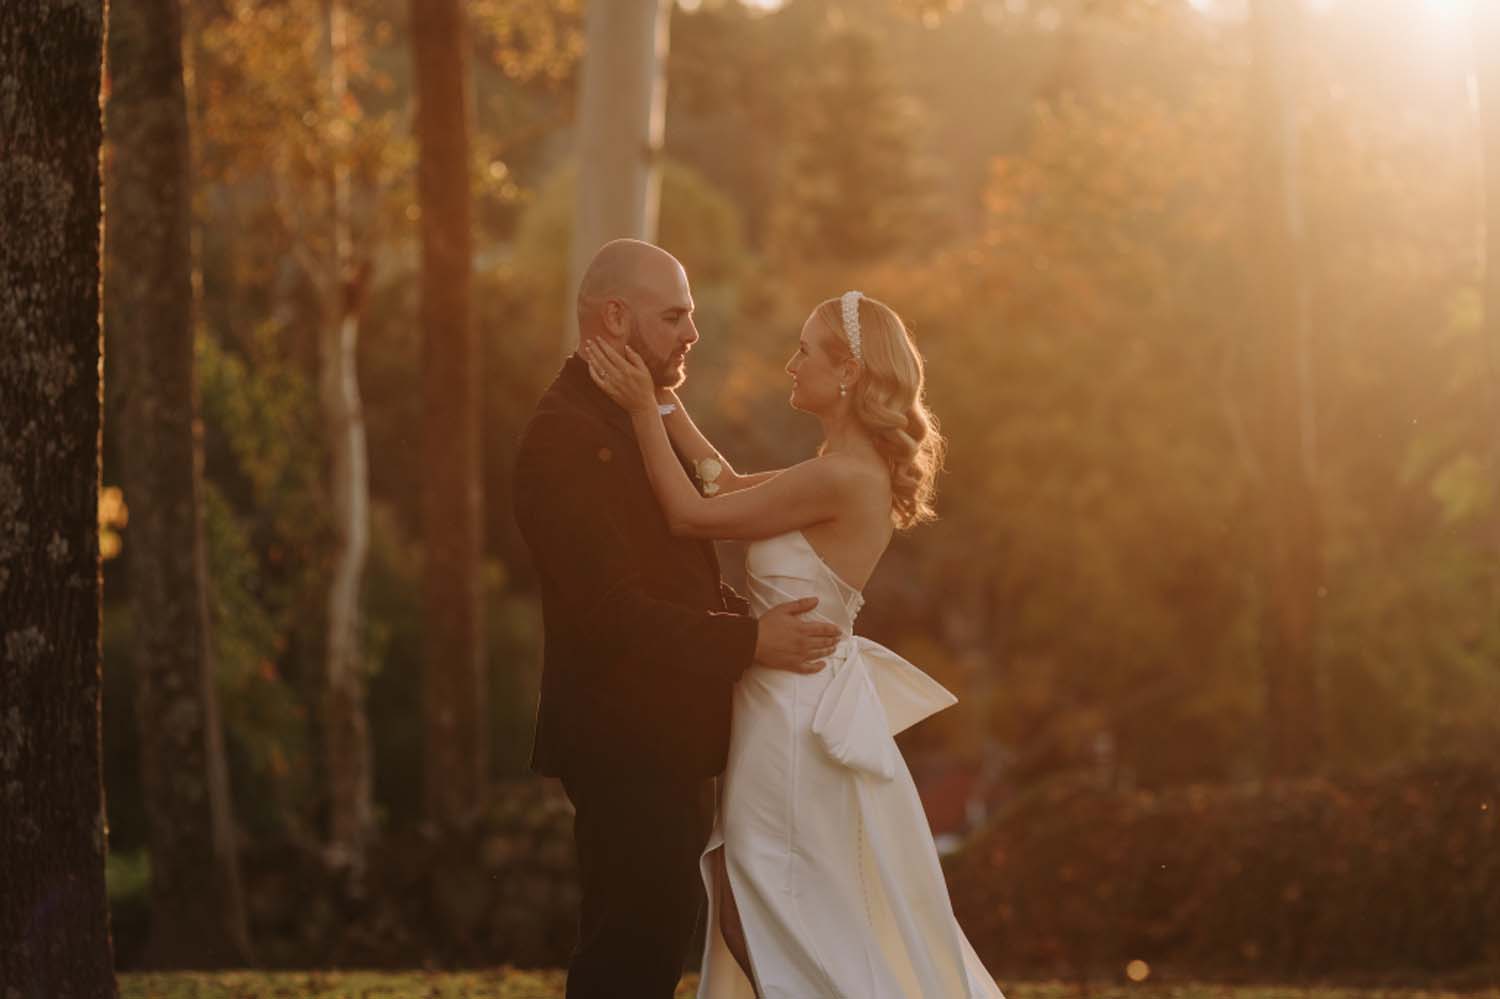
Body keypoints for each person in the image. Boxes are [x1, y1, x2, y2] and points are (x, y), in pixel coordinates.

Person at [582, 287, 1006, 998]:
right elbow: (729, 487)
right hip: (784, 697)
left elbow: (691, 515)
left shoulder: (843, 476)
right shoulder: (831, 470)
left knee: (758, 890)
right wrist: (663, 400)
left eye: (804, 350)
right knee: (756, 891)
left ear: (846, 372)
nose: (790, 364)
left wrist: (634, 410)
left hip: (796, 712)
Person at [512, 238, 843, 999]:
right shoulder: (563, 437)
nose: (693, 332)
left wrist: (756, 624)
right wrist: (754, 639)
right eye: (676, 316)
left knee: (650, 951)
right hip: (620, 737)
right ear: (616, 318)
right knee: (625, 955)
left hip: (669, 737)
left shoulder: (636, 416)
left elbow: (690, 546)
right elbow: (613, 615)